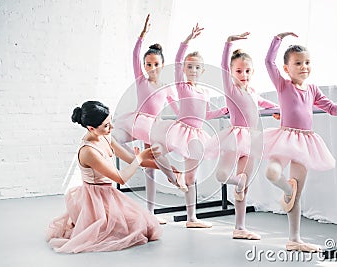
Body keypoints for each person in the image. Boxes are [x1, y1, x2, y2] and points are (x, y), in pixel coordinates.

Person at [264, 32, 337, 252]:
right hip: (285, 137)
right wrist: (277, 39)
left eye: (307, 62)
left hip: (305, 142)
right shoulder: (283, 85)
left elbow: (332, 109)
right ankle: (287, 190)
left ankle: (294, 240)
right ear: (287, 68)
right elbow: (268, 62)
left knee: (298, 194)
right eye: (298, 63)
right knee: (272, 173)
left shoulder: (312, 89)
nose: (304, 67)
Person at [46, 101, 162, 253]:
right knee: (133, 230)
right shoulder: (88, 151)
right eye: (106, 125)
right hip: (95, 200)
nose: (111, 128)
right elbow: (120, 178)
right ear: (91, 128)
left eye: (110, 122)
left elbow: (129, 158)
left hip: (109, 196)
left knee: (147, 227)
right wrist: (139, 158)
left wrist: (165, 168)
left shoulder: (105, 136)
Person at [151, 24, 229, 228]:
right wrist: (187, 40)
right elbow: (177, 62)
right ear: (184, 69)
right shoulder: (182, 85)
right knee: (157, 151)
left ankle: (191, 218)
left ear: (202, 70)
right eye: (189, 67)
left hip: (197, 135)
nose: (193, 70)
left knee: (192, 177)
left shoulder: (205, 92)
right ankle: (172, 175)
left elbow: (204, 115)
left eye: (196, 67)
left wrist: (222, 111)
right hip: (180, 130)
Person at [112, 14, 185, 224]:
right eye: (148, 64)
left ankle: (153, 210)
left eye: (156, 64)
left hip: (152, 125)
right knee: (114, 137)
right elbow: (135, 55)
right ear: (144, 66)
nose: (152, 68)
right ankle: (152, 165)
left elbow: (178, 109)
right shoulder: (141, 81)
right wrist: (141, 36)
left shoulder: (166, 87)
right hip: (136, 122)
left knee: (152, 170)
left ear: (162, 65)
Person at [206, 32, 279, 239]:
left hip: (252, 139)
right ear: (231, 72)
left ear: (252, 71)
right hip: (234, 138)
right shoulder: (230, 88)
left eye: (247, 71)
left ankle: (240, 227)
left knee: (244, 186)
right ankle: (236, 183)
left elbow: (265, 104)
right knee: (222, 175)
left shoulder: (253, 91)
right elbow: (222, 66)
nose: (243, 74)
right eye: (239, 71)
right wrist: (228, 42)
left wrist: (279, 110)